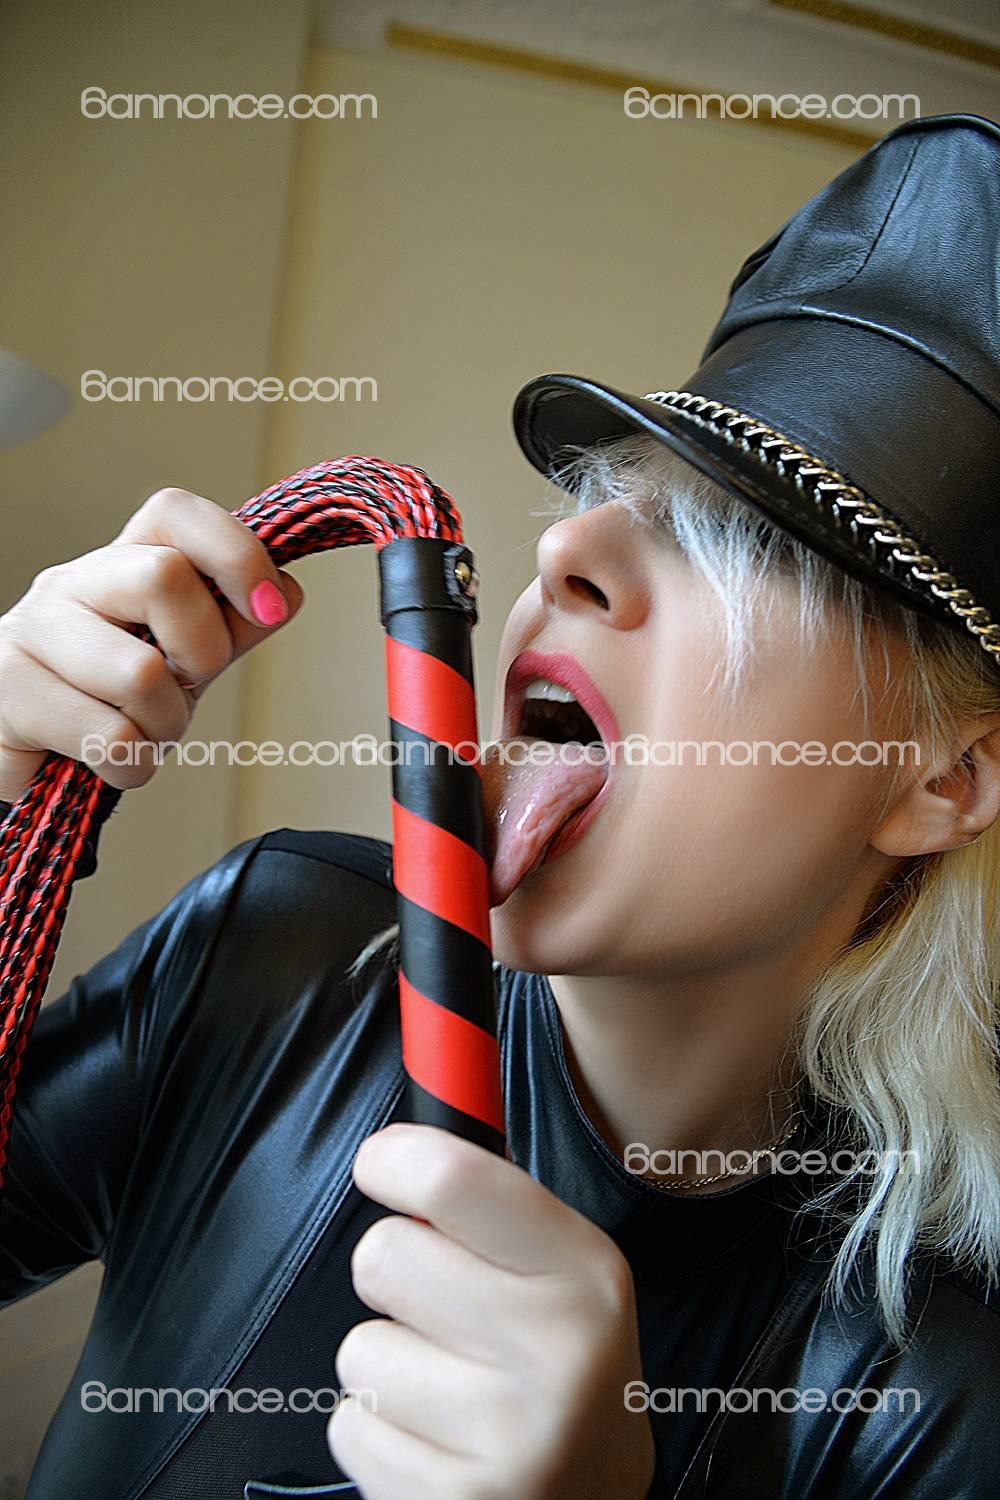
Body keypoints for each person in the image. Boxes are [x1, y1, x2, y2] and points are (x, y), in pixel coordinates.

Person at [1, 111, 1000, 1500]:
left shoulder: (931, 1396)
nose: (566, 545)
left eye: (738, 539)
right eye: (610, 495)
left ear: (943, 779)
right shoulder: (265, 959)